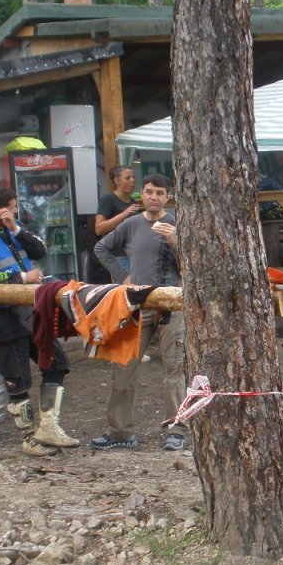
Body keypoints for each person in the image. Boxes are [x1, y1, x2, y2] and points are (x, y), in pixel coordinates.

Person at [0, 185, 78, 457]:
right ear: (0, 209)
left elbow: (40, 249)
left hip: (30, 312)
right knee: (17, 379)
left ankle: (48, 427)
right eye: (13, 208)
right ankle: (29, 438)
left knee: (58, 363)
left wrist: (15, 228)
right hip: (3, 316)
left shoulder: (11, 230)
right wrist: (22, 278)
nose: (16, 212)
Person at [92, 174, 188, 452]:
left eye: (159, 192)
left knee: (174, 367)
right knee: (123, 365)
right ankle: (120, 431)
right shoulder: (131, 224)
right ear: (142, 195)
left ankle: (177, 431)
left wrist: (174, 241)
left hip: (172, 305)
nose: (153, 197)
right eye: (149, 192)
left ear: (168, 197)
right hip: (137, 305)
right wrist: (122, 276)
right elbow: (101, 247)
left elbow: (191, 266)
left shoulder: (177, 224)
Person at [92, 165, 141, 283]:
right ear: (117, 181)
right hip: (117, 255)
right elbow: (99, 228)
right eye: (127, 178)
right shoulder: (108, 199)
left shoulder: (132, 201)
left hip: (133, 254)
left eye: (133, 177)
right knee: (129, 288)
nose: (132, 181)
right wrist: (124, 214)